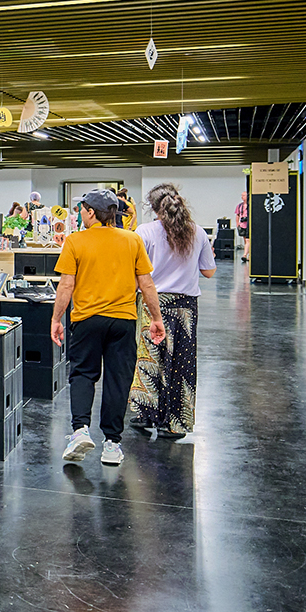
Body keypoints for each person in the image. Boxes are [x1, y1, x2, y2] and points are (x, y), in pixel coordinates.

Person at [51, 188, 166, 467]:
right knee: (118, 380)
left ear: (91, 212)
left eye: (81, 209)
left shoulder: (76, 241)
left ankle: (80, 431)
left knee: (82, 374)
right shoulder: (132, 240)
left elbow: (67, 285)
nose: (79, 213)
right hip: (123, 321)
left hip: (86, 320)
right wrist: (156, 318)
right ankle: (112, 444)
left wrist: (56, 318)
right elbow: (147, 284)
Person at [128, 183, 216, 439]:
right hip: (186, 307)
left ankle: (145, 413)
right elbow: (209, 271)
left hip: (152, 302)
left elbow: (136, 274)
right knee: (181, 363)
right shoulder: (197, 232)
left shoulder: (143, 232)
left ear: (153, 207)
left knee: (149, 359)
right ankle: (176, 423)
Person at [235, 191, 250, 263]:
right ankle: (247, 255)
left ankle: (246, 254)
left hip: (249, 224)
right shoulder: (240, 205)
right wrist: (238, 224)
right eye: (241, 196)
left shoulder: (250, 205)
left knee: (248, 240)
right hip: (243, 225)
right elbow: (237, 215)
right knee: (246, 240)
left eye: (243, 195)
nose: (242, 197)